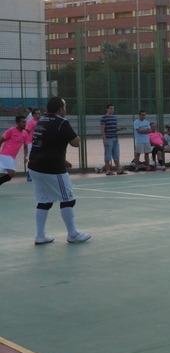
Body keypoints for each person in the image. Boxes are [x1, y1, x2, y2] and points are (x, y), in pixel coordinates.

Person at [27, 97, 90, 244]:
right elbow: (76, 143)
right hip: (52, 168)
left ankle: (40, 236)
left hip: (35, 166)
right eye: (65, 107)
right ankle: (73, 235)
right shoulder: (62, 122)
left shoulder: (41, 121)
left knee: (44, 201)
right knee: (68, 199)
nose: (65, 110)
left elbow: (47, 144)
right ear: (61, 109)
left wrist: (63, 159)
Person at [0, 116, 31, 187]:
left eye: (25, 122)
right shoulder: (11, 131)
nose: (25, 124)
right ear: (17, 123)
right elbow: (1, 140)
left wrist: (25, 156)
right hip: (5, 154)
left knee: (10, 176)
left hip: (12, 156)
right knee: (12, 173)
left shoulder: (25, 133)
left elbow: (25, 147)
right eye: (23, 122)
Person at [100, 103, 126, 175]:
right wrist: (105, 139)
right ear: (107, 109)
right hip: (108, 138)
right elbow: (102, 129)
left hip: (115, 138)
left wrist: (119, 129)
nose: (112, 110)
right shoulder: (104, 118)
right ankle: (108, 170)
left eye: (113, 108)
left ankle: (118, 170)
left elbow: (115, 128)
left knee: (116, 154)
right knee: (108, 155)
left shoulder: (114, 118)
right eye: (110, 108)